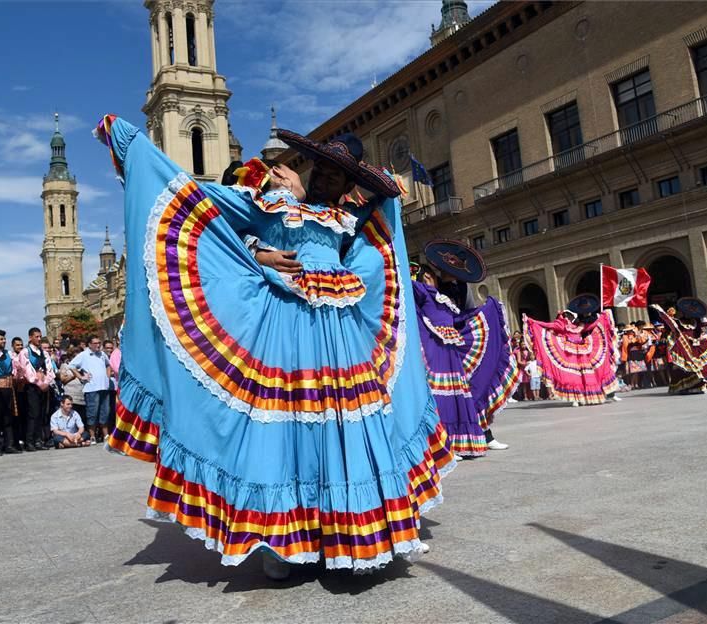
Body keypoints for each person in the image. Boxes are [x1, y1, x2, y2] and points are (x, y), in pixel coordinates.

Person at [95, 115, 452, 577]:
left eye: (336, 173)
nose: (324, 176)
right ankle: (277, 543)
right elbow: (208, 206)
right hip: (285, 326)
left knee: (347, 426)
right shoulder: (271, 200)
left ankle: (361, 532)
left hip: (340, 333)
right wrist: (260, 254)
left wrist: (372, 185)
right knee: (283, 428)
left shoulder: (350, 217)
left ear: (348, 184)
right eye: (320, 166)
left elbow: (388, 202)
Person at [412, 265, 517, 456]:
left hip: (456, 346)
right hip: (437, 349)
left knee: (470, 391)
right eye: (424, 276)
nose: (428, 278)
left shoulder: (448, 292)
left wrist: (487, 310)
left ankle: (483, 435)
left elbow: (461, 314)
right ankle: (448, 444)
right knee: (447, 398)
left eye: (430, 275)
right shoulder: (422, 292)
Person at [523, 299, 618, 407]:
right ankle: (576, 398)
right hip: (570, 351)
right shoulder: (561, 324)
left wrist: (603, 317)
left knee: (586, 375)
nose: (568, 317)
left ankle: (588, 396)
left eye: (569, 315)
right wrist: (533, 321)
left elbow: (589, 327)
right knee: (573, 376)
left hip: (583, 350)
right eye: (566, 315)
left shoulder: (578, 324)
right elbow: (547, 325)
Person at [653, 301, 707, 394]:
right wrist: (662, 312)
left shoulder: (696, 321)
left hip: (697, 347)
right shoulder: (680, 321)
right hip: (686, 346)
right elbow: (671, 324)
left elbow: (705, 325)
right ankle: (686, 387)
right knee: (689, 367)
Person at [15, 327, 54, 452]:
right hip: (31, 387)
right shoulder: (25, 352)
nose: (38, 339)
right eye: (36, 337)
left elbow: (49, 368)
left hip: (43, 387)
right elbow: (27, 370)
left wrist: (46, 382)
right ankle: (29, 441)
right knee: (33, 414)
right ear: (30, 337)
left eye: (39, 336)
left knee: (41, 414)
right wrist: (38, 382)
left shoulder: (44, 353)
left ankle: (38, 440)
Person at [67, 336, 112, 444]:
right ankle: (92, 436)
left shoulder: (102, 354)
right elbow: (71, 366)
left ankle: (105, 434)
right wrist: (81, 377)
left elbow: (108, 365)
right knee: (92, 412)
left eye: (99, 342)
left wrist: (107, 377)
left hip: (104, 387)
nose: (98, 345)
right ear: (89, 344)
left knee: (105, 412)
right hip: (91, 388)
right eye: (95, 343)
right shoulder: (84, 355)